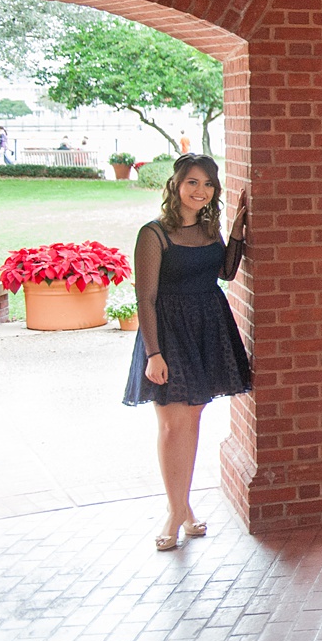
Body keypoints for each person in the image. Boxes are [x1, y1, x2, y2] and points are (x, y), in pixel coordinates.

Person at [121, 155, 252, 550]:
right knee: (170, 424)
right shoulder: (154, 234)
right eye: (192, 182)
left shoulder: (210, 231)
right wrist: (153, 354)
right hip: (168, 334)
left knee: (191, 420)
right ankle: (175, 511)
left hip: (207, 328)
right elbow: (145, 298)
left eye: (208, 184)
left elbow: (226, 273)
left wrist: (237, 231)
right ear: (176, 185)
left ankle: (183, 507)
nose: (201, 191)